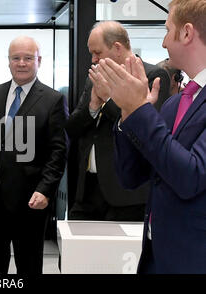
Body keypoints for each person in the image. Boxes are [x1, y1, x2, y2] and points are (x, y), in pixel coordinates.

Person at [92, 0, 206, 273]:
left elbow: (191, 176)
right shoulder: (174, 104)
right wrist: (127, 114)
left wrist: (139, 109)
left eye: (168, 30)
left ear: (187, 33)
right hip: (156, 254)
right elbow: (132, 175)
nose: (164, 43)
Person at [65, 21, 171, 221]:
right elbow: (72, 127)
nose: (94, 60)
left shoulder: (151, 75)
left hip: (126, 194)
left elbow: (144, 127)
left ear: (117, 48)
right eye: (91, 54)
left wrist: (108, 99)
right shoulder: (94, 77)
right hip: (87, 189)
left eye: (97, 53)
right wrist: (93, 107)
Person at [0, 36, 68, 274]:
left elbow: (58, 151)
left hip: (30, 199)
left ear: (39, 61)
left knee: (29, 264)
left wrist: (45, 190)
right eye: (16, 58)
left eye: (28, 58)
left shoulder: (53, 100)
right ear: (8, 62)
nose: (21, 63)